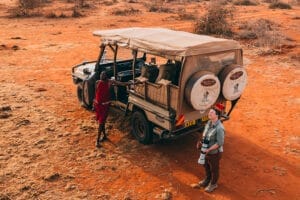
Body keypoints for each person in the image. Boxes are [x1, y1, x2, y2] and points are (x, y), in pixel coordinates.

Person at [93, 71, 132, 148]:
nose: (101, 76)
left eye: (103, 75)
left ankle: (97, 140)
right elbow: (96, 93)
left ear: (106, 76)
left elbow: (122, 84)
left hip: (105, 106)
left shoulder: (110, 82)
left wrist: (131, 83)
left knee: (101, 123)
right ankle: (104, 136)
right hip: (98, 106)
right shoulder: (97, 82)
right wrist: (93, 103)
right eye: (101, 74)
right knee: (102, 122)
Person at [196, 104, 225, 193]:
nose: (209, 113)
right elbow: (205, 134)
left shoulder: (220, 128)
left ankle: (213, 184)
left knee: (214, 169)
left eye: (212, 112)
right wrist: (200, 142)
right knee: (206, 166)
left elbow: (219, 143)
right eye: (209, 112)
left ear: (217, 115)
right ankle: (207, 180)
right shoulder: (209, 123)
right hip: (205, 150)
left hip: (214, 153)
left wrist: (209, 149)